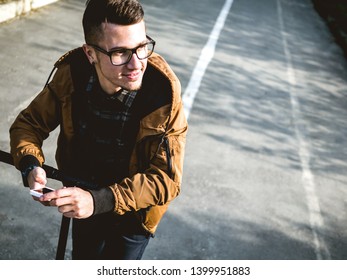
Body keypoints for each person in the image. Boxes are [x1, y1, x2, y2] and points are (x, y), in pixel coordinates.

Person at [9, 0, 187, 260]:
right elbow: (29, 124)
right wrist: (29, 163)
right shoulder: (73, 75)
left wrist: (98, 201)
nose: (136, 64)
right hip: (83, 194)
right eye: (120, 53)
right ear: (90, 54)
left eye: (141, 48)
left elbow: (166, 180)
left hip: (135, 215)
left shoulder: (163, 95)